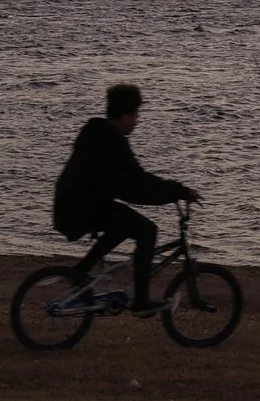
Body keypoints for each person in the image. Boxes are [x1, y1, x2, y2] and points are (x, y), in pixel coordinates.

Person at [52, 82, 200, 314]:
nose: (137, 120)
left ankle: (82, 270)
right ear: (124, 114)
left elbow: (134, 184)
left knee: (122, 223)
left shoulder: (98, 133)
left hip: (74, 206)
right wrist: (178, 192)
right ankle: (140, 300)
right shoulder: (111, 144)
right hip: (80, 210)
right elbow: (137, 186)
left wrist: (172, 191)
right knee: (146, 230)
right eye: (134, 114)